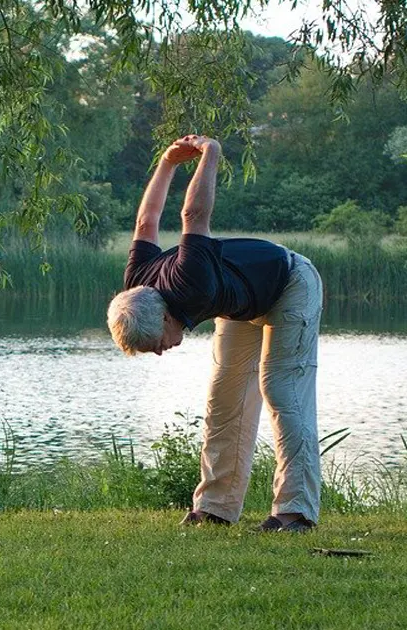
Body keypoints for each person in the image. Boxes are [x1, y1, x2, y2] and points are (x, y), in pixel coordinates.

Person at [106, 135, 324, 533]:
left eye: (156, 346)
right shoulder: (137, 282)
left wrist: (211, 153)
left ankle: (295, 513)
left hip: (290, 283)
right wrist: (167, 163)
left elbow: (194, 215)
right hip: (241, 302)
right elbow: (145, 222)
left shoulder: (189, 282)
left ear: (165, 318)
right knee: (224, 399)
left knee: (282, 391)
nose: (160, 353)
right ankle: (215, 508)